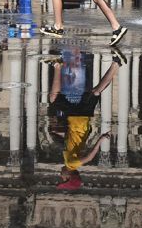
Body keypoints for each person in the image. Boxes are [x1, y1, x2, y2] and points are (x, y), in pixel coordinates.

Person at [48, 46, 124, 191]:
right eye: (63, 179)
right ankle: (57, 65)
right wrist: (101, 139)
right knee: (54, 98)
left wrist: (61, 133)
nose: (60, 175)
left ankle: (116, 64)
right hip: (77, 120)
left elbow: (73, 142)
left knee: (95, 92)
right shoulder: (72, 164)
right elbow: (89, 158)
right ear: (69, 176)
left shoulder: (70, 161)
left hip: (79, 122)